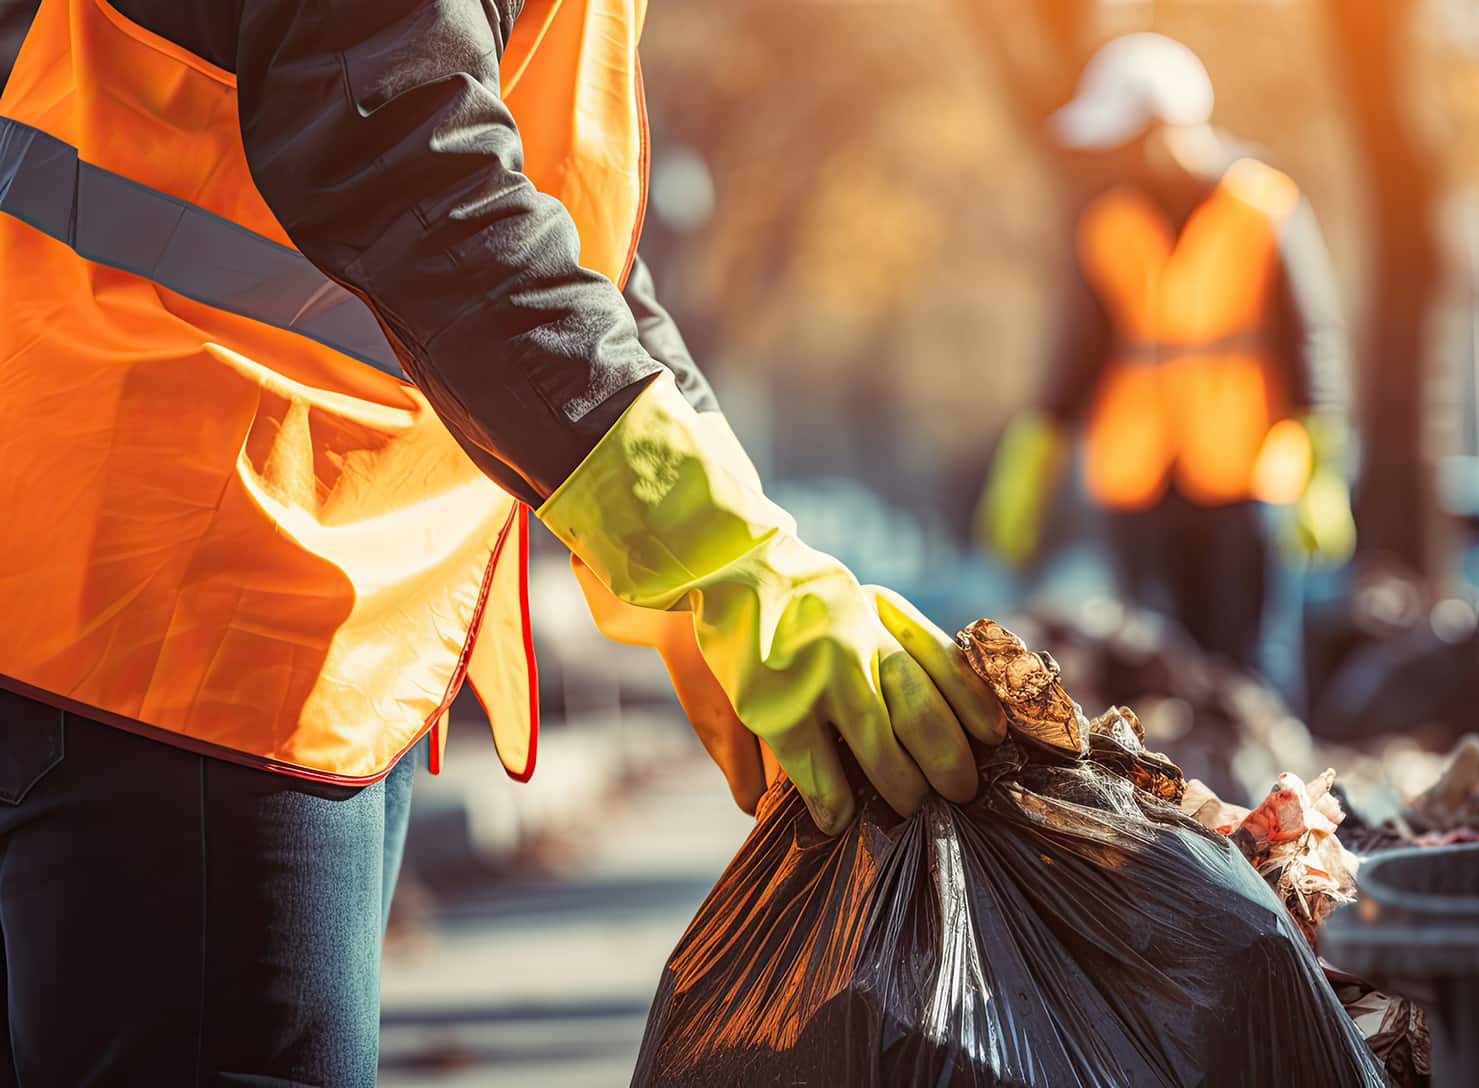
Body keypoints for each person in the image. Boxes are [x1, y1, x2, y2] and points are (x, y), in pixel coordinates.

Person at [0, 1, 1002, 1083]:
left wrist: (725, 563)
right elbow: (407, 158)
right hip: (184, 601)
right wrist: (725, 561)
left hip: (224, 591)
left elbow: (573, 242)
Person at [976, 32, 1357, 671]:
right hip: (1142, 479)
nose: (1105, 162)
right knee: (1154, 663)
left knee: (1252, 660)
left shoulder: (1262, 204)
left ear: (1160, 131)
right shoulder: (1109, 220)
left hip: (1246, 472)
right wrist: (1030, 458)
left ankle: (1265, 772)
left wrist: (1324, 471)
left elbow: (1309, 334)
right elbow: (1081, 351)